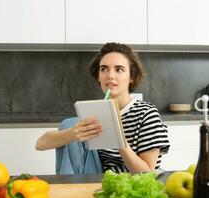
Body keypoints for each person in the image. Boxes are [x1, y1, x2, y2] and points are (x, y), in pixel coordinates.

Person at [36, 42, 170, 173]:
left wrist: (117, 138)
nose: (110, 76)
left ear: (132, 77)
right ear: (98, 76)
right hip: (99, 180)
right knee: (70, 124)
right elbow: (40, 144)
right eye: (104, 69)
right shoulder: (96, 112)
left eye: (119, 69)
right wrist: (74, 134)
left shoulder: (147, 114)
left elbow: (146, 173)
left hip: (132, 183)